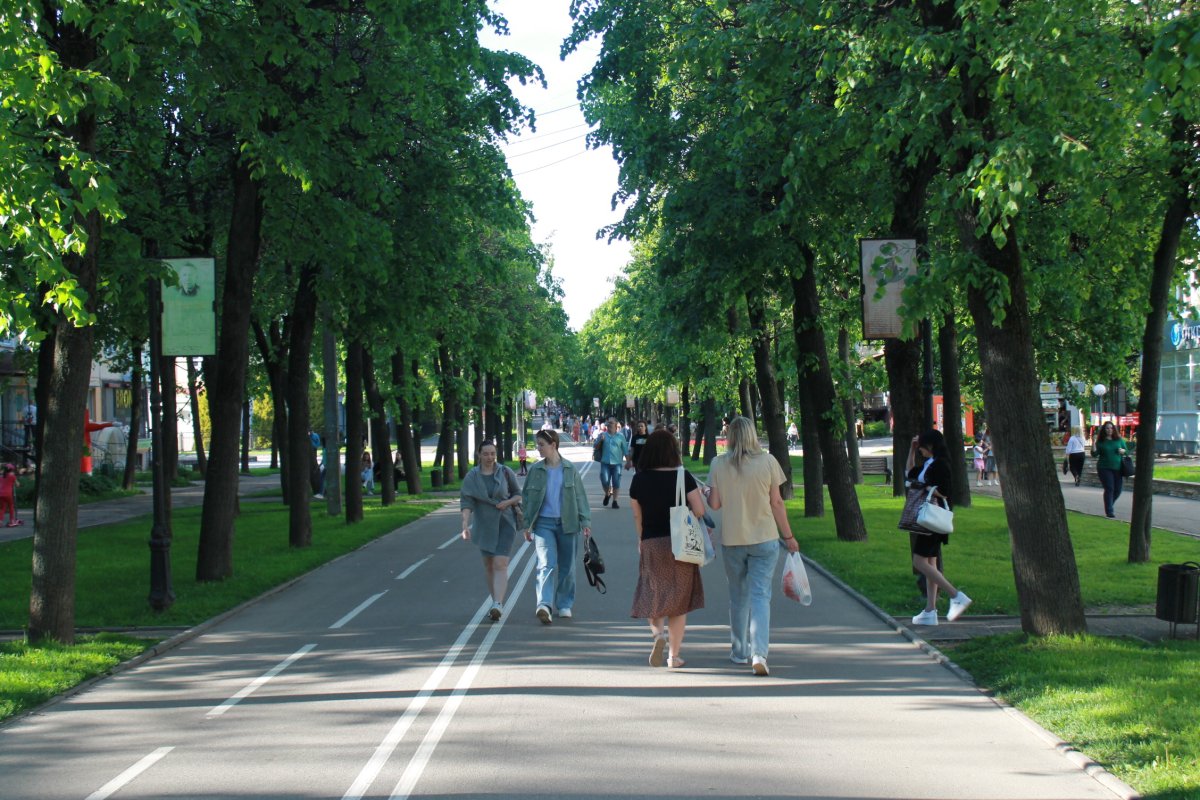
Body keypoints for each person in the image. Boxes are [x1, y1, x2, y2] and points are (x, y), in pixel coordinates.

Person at [704, 416, 800, 676]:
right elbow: (777, 503)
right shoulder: (768, 462)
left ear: (730, 436)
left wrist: (707, 492)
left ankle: (739, 651)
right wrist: (788, 536)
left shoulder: (718, 464)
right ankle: (760, 653)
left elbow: (714, 505)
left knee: (738, 597)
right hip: (765, 538)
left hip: (733, 540)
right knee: (761, 596)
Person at [628, 429, 706, 669]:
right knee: (679, 600)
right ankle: (674, 655)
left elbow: (636, 514)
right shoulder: (684, 477)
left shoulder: (639, 479)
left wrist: (641, 539)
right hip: (681, 543)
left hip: (652, 541)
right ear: (673, 451)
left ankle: (657, 636)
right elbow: (700, 511)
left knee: (654, 593)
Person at [521, 429, 592, 622]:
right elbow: (526, 498)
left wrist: (585, 521)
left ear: (553, 445)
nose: (538, 448)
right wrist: (527, 525)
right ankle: (544, 604)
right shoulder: (536, 470)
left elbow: (580, 497)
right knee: (545, 564)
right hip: (544, 524)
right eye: (537, 444)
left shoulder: (569, 469)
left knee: (567, 567)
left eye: (541, 445)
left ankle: (564, 604)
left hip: (568, 523)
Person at [905, 429, 972, 626]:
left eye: (922, 446)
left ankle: (956, 596)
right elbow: (909, 474)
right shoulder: (929, 463)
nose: (920, 451)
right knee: (931, 563)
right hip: (929, 518)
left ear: (931, 445)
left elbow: (945, 490)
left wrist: (926, 489)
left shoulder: (941, 465)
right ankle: (930, 611)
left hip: (932, 518)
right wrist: (911, 450)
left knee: (919, 562)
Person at [461, 442, 524, 620]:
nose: (490, 457)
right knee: (489, 565)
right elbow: (466, 502)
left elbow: (518, 494)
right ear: (479, 455)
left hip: (505, 522)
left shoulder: (505, 472)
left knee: (500, 563)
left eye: (493, 454)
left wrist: (507, 503)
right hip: (484, 525)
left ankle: (497, 604)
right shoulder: (472, 477)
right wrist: (465, 524)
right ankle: (496, 600)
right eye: (486, 454)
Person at [1091, 421, 1128, 518]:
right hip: (1104, 468)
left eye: (1111, 428)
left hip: (1118, 468)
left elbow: (1126, 451)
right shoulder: (1101, 441)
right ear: (1104, 430)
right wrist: (1093, 442)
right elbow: (1094, 454)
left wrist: (1123, 451)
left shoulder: (1119, 440)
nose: (1109, 430)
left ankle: (1109, 504)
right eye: (1107, 428)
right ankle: (1109, 511)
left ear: (1114, 429)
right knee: (1109, 488)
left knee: (1118, 490)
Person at [598, 417, 630, 508]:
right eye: (608, 423)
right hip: (605, 463)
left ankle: (615, 501)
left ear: (616, 425)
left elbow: (625, 450)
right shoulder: (602, 435)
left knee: (616, 482)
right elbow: (596, 447)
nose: (609, 424)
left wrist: (628, 462)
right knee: (605, 481)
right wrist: (601, 440)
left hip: (617, 464)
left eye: (611, 423)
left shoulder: (621, 437)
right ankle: (607, 494)